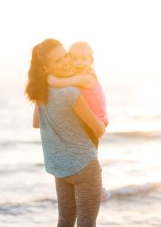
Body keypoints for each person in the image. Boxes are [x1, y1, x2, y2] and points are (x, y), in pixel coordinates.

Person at [25, 38, 105, 227]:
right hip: (85, 166)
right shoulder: (70, 92)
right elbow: (98, 129)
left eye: (65, 57)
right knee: (86, 222)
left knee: (65, 221)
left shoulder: (41, 91)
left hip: (61, 169)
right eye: (58, 61)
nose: (66, 62)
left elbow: (36, 123)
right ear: (46, 68)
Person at [47, 41, 110, 202]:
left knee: (91, 159)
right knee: (91, 156)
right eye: (74, 58)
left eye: (83, 58)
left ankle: (99, 190)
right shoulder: (80, 77)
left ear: (91, 60)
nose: (79, 62)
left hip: (96, 122)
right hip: (91, 121)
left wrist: (49, 76)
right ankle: (93, 188)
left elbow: (59, 83)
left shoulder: (88, 78)